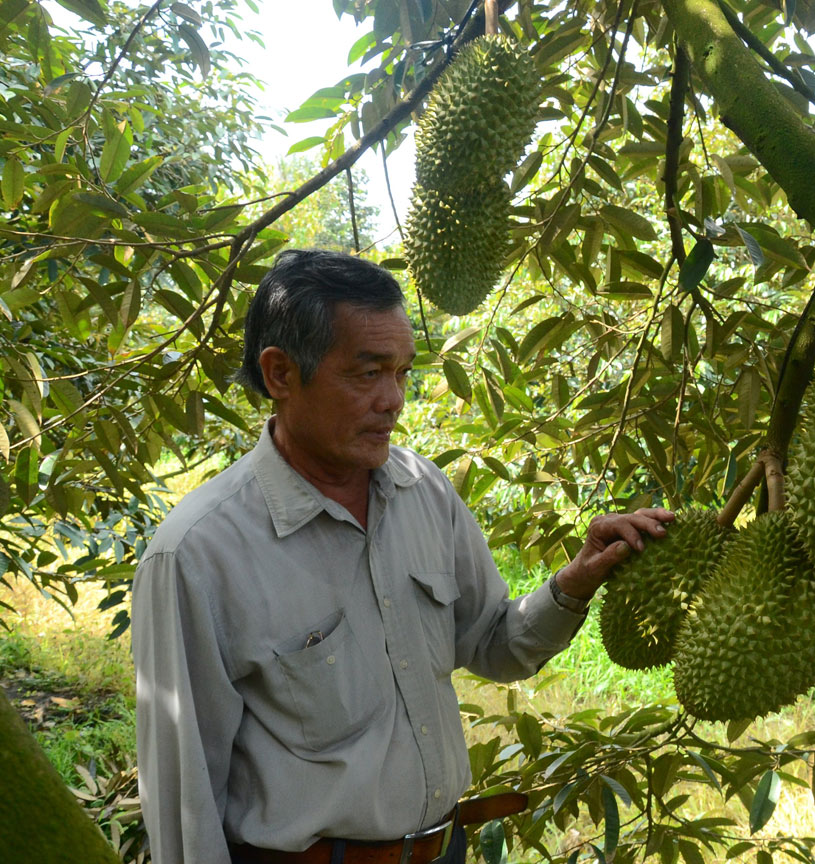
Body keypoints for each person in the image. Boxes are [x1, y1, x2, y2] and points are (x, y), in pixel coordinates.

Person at [131, 250, 674, 864]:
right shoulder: (198, 554)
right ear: (281, 374)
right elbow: (184, 804)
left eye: (403, 373)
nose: (394, 401)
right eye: (367, 374)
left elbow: (495, 644)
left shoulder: (424, 492)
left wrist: (575, 581)